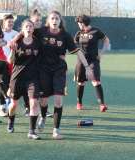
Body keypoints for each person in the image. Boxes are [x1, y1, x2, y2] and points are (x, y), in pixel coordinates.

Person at [34, 11, 92, 139]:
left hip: (59, 70)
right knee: (43, 100)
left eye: (57, 19)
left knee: (58, 100)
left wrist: (87, 67)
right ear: (48, 21)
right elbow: (25, 33)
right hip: (43, 70)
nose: (55, 20)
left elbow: (78, 52)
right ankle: (42, 117)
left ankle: (56, 129)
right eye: (52, 18)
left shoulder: (65, 36)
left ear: (60, 21)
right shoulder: (40, 32)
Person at [7, 19, 42, 140]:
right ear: (22, 29)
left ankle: (32, 131)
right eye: (26, 26)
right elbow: (10, 61)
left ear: (33, 29)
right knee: (13, 105)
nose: (29, 28)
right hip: (17, 78)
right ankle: (11, 121)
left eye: (31, 26)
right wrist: (12, 50)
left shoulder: (38, 42)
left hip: (32, 79)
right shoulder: (17, 42)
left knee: (34, 103)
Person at [74, 14, 110, 112]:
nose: (78, 25)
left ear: (83, 23)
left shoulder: (96, 31)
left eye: (79, 23)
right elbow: (74, 46)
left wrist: (101, 53)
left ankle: (102, 104)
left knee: (96, 81)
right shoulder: (78, 33)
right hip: (81, 61)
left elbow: (106, 41)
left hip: (93, 60)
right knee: (81, 83)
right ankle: (79, 103)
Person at [0, 14, 19, 117]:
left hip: (13, 64)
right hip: (1, 62)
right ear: (4, 22)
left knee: (12, 85)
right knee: (1, 82)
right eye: (8, 21)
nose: (10, 23)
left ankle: (10, 103)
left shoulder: (16, 34)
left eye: (12, 22)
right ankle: (2, 106)